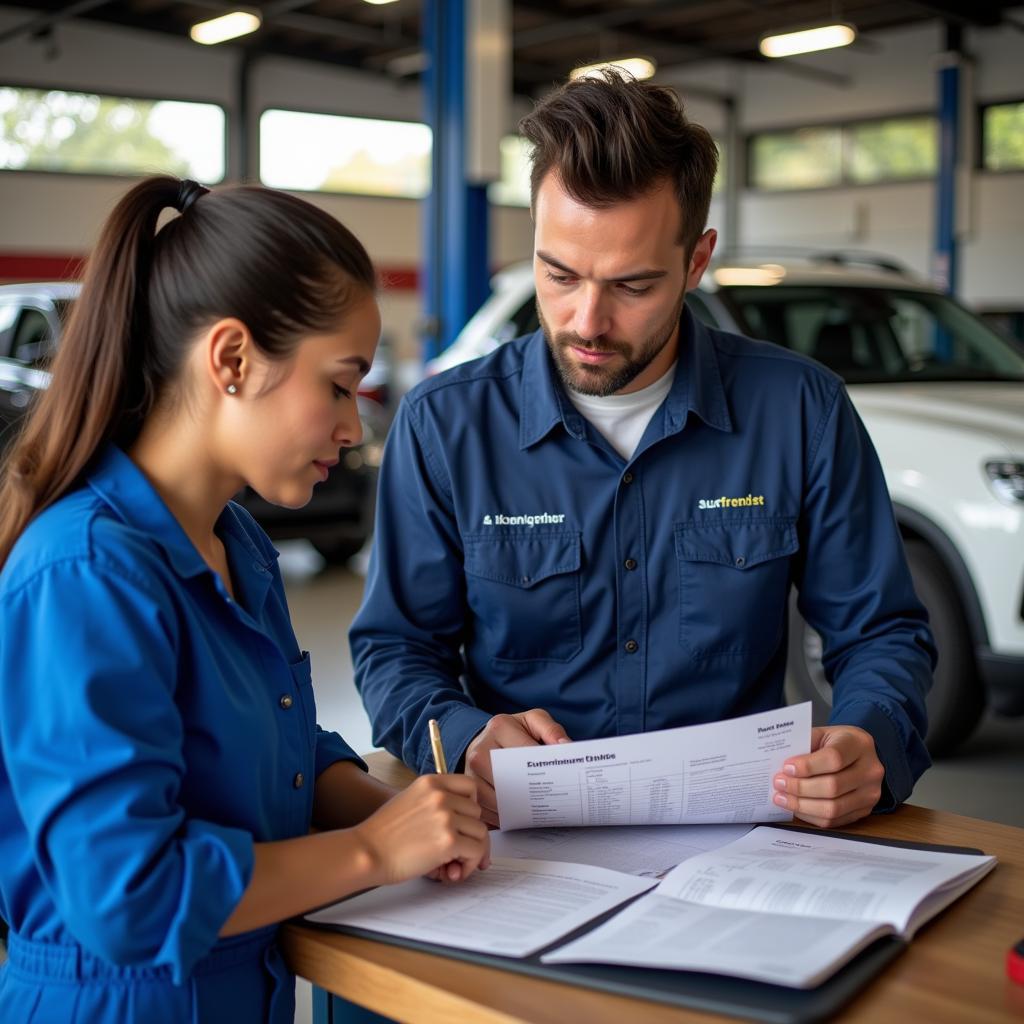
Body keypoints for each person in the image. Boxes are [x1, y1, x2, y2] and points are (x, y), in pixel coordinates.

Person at [352, 70, 935, 833]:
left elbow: (883, 631)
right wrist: (462, 741)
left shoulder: (799, 410)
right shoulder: (445, 425)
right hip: (518, 850)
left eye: (632, 285)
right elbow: (396, 648)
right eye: (558, 274)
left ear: (696, 263)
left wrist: (870, 738)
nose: (586, 320)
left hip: (744, 845)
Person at [0, 176, 489, 1024]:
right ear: (231, 359)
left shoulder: (237, 545)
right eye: (338, 385)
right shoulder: (86, 573)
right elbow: (129, 896)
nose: (353, 425)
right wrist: (374, 849)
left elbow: (285, 737)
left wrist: (410, 814)